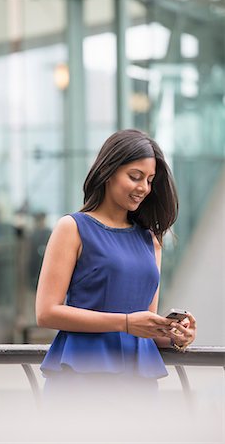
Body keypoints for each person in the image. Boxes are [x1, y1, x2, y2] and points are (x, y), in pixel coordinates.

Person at [35, 129, 196, 416]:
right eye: (135, 176)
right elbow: (46, 312)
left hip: (137, 383)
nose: (144, 188)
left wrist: (174, 335)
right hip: (80, 379)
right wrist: (124, 323)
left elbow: (144, 325)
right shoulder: (72, 228)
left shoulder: (151, 240)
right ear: (108, 172)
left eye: (149, 180)